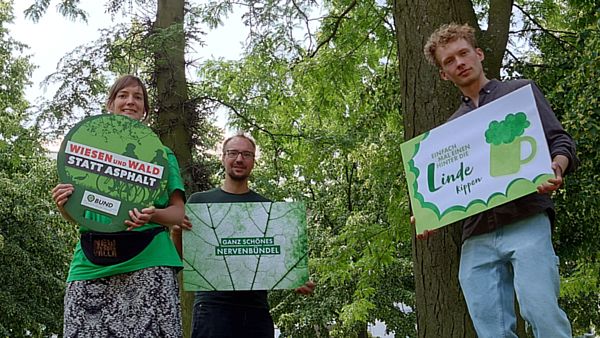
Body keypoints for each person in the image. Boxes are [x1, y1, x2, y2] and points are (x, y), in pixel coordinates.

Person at [420, 23, 578, 337]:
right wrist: (432, 212)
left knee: (541, 311)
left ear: (478, 54)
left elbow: (561, 142)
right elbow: (450, 189)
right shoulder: (449, 132)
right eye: (449, 61)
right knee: (490, 329)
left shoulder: (519, 92)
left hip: (527, 218)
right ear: (443, 74)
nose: (459, 62)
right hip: (476, 235)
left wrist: (556, 168)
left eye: (463, 53)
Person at [51, 75, 186, 337]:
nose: (130, 102)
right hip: (90, 264)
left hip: (149, 262)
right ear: (109, 104)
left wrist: (154, 215)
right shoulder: (83, 152)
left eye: (138, 97)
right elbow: (79, 215)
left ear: (145, 110)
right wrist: (62, 206)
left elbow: (178, 213)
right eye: (122, 96)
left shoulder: (162, 154)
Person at [185, 132, 315, 338]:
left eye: (246, 154)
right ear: (223, 157)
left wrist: (295, 279)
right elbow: (180, 257)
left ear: (253, 161)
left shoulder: (269, 210)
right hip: (212, 308)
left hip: (255, 310)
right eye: (233, 153)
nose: (239, 159)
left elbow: (278, 262)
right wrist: (176, 233)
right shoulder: (198, 203)